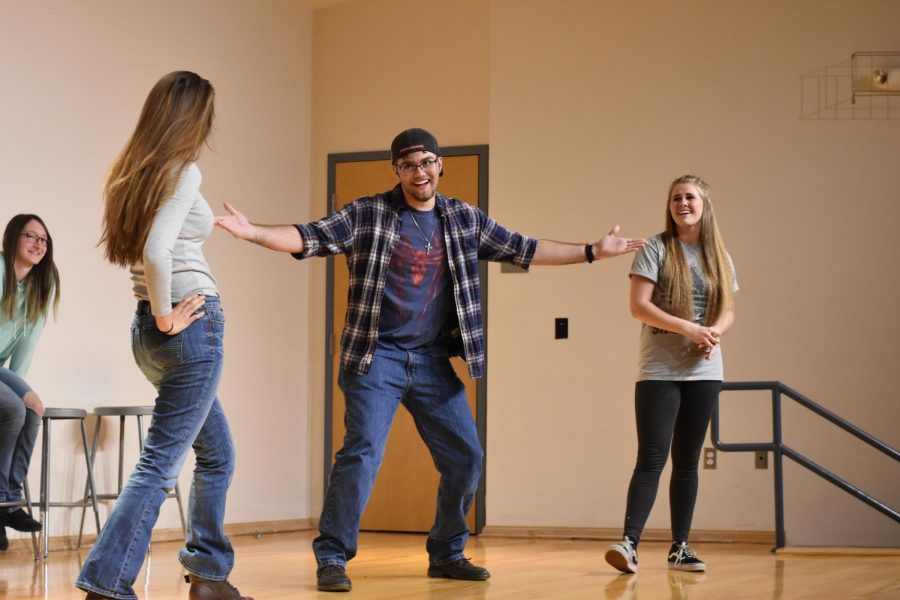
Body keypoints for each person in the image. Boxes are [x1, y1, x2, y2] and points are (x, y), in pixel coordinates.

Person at [215, 128, 646, 592]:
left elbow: (524, 248)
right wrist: (252, 232)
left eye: (426, 163)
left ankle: (446, 551)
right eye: (408, 165)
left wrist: (589, 253)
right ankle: (333, 556)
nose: (418, 172)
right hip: (374, 355)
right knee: (362, 453)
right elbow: (310, 237)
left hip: (431, 361)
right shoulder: (369, 214)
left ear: (440, 165)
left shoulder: (463, 218)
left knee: (465, 456)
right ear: (396, 170)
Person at [76, 71, 252, 600]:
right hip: (188, 330)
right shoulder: (184, 171)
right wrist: (167, 315)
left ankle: (209, 575)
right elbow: (156, 251)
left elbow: (152, 248)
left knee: (217, 453)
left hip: (151, 339)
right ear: (191, 118)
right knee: (159, 464)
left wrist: (157, 318)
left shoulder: (133, 173)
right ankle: (107, 583)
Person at [604, 174, 737, 575]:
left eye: (690, 197)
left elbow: (729, 308)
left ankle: (680, 548)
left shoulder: (719, 255)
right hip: (659, 369)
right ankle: (628, 545)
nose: (683, 203)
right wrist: (689, 328)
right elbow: (638, 307)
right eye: (676, 197)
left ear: (704, 205)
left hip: (705, 370)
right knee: (652, 456)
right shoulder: (656, 249)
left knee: (688, 460)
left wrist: (714, 332)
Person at [0, 214, 59, 551]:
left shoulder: (41, 285)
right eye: (31, 237)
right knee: (11, 408)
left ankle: (7, 503)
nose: (39, 244)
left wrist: (22, 389)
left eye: (44, 240)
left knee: (32, 407)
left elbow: (25, 347)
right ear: (13, 239)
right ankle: (3, 501)